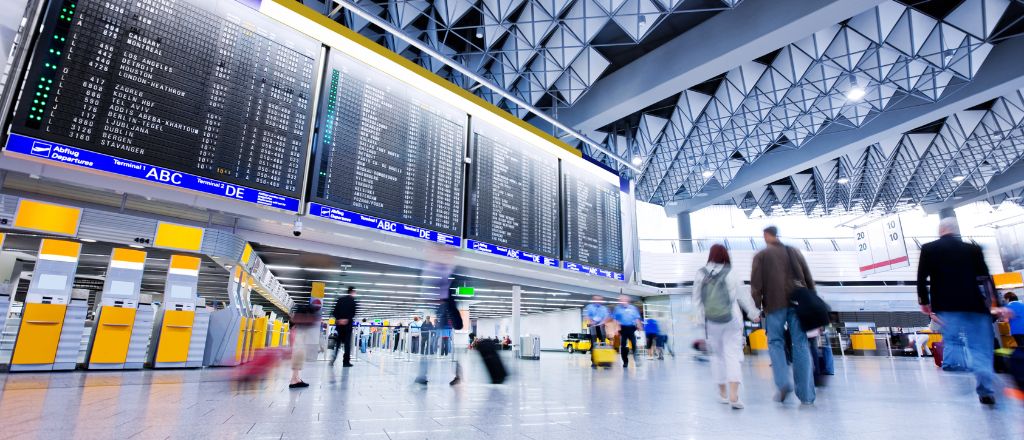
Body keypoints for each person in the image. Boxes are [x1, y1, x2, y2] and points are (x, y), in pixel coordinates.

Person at [918, 218, 1009, 405]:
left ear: (940, 230)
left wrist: (924, 302)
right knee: (980, 349)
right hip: (974, 305)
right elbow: (986, 278)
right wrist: (996, 304)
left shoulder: (929, 249)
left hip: (947, 307)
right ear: (956, 231)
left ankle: (955, 365)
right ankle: (985, 386)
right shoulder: (973, 249)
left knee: (953, 340)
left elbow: (921, 278)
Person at [751, 226, 816, 405]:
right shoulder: (793, 252)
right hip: (798, 303)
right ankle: (806, 395)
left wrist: (757, 306)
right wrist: (812, 299)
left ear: (766, 235)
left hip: (774, 305)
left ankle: (783, 383)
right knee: (801, 343)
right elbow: (808, 278)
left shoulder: (761, 256)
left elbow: (756, 284)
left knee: (775, 342)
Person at [695, 244, 760, 409]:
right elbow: (743, 296)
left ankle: (722, 394)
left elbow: (697, 300)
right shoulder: (731, 272)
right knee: (732, 355)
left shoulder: (701, 274)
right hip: (732, 319)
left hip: (711, 322)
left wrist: (701, 320)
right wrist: (753, 314)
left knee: (717, 357)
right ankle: (734, 395)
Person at [288, 300, 321, 389]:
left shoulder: (297, 323)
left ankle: (296, 378)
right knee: (299, 353)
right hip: (300, 332)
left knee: (299, 354)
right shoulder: (300, 326)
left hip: (299, 332)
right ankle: (294, 380)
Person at [612, 295, 643, 367]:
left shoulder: (633, 308)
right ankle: (625, 362)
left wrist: (639, 326)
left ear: (627, 301)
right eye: (620, 300)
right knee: (623, 346)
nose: (621, 301)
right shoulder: (617, 308)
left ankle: (636, 359)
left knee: (634, 344)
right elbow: (615, 319)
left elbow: (637, 318)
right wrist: (615, 329)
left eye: (623, 300)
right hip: (622, 329)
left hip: (632, 328)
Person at [330, 286, 358, 367]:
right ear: (352, 292)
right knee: (347, 345)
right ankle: (346, 362)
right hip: (347, 326)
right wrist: (346, 319)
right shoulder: (353, 301)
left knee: (337, 344)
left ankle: (333, 359)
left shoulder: (340, 300)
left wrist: (339, 319)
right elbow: (353, 313)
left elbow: (334, 312)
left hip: (339, 326)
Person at [583, 296, 610, 368]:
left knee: (603, 343)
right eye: (597, 300)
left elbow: (607, 317)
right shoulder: (589, 307)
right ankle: (594, 362)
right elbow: (586, 316)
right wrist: (591, 322)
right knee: (594, 344)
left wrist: (603, 322)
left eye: (600, 300)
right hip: (593, 327)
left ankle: (604, 361)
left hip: (601, 326)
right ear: (594, 300)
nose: (599, 301)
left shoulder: (604, 308)